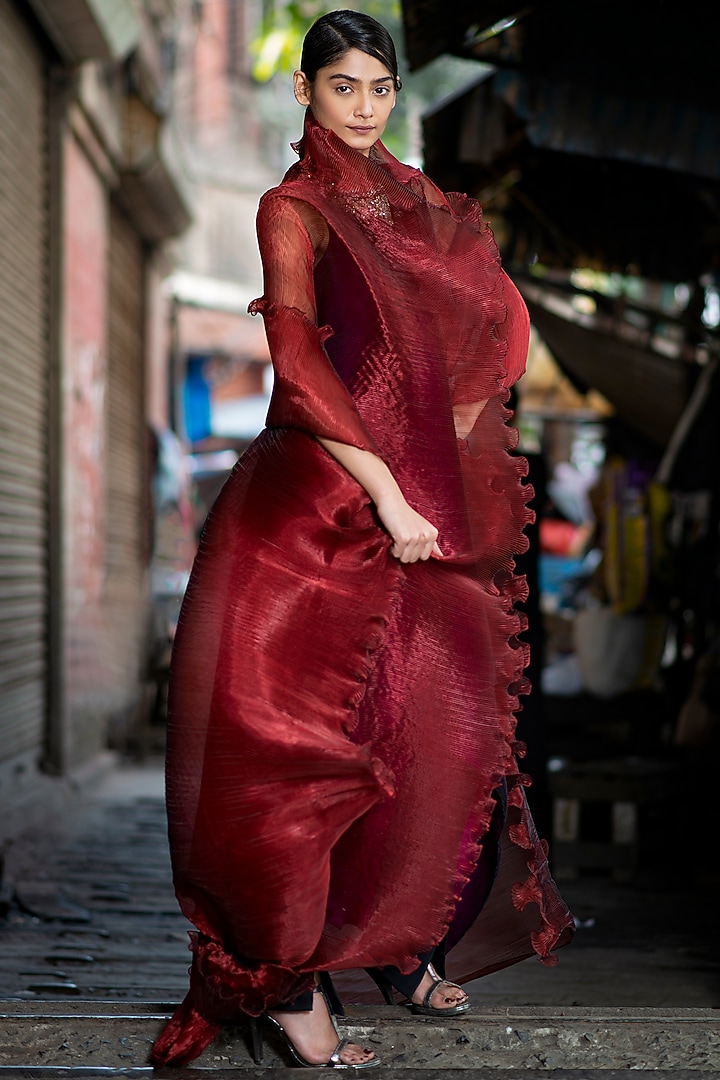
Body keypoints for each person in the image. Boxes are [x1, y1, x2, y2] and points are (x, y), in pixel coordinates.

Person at [150, 10, 574, 1070]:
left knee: (427, 726)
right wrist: (388, 488)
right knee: (295, 752)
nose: (365, 108)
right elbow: (298, 364)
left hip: (422, 506)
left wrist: (461, 426)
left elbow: (498, 317)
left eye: (380, 89)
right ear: (304, 93)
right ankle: (288, 989)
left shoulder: (420, 201)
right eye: (343, 88)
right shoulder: (290, 208)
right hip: (316, 505)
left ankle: (391, 943)